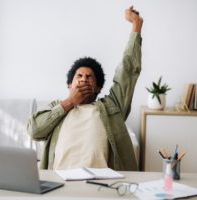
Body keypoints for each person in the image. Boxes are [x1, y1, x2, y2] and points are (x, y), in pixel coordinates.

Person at [27, 6, 143, 171]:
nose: (83, 80)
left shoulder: (112, 107)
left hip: (101, 184)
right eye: (79, 76)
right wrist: (70, 102)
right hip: (60, 183)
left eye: (90, 77)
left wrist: (136, 26)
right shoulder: (56, 108)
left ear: (98, 88)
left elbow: (128, 70)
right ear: (69, 84)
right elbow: (34, 131)